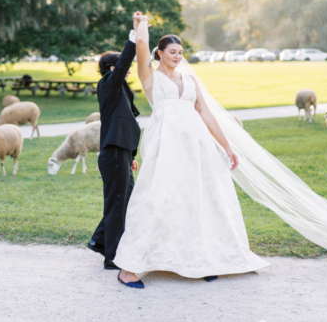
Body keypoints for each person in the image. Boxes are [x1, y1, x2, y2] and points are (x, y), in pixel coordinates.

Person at [114, 14, 267, 288]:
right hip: (166, 145)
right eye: (171, 52)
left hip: (196, 147)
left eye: (180, 52)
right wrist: (142, 25)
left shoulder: (191, 80)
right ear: (159, 53)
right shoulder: (150, 77)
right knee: (157, 199)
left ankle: (199, 261)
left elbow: (207, 115)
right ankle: (129, 268)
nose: (177, 56)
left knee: (199, 199)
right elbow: (140, 48)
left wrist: (227, 147)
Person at [87, 15, 143, 271]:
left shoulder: (117, 90)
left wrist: (131, 154)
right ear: (112, 68)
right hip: (112, 154)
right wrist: (134, 35)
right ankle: (112, 256)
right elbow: (122, 66)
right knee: (118, 202)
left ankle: (100, 241)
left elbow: (125, 123)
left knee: (124, 200)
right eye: (121, 66)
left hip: (120, 153)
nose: (127, 68)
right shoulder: (108, 84)